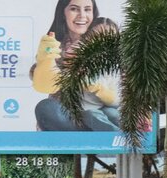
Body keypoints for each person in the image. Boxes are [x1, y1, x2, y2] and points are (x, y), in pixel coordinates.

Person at [32, 0, 119, 131]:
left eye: (87, 9)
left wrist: (100, 89)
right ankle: (88, 140)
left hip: (102, 113)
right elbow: (44, 83)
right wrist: (47, 60)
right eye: (74, 9)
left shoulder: (113, 57)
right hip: (70, 116)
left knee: (112, 112)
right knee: (46, 108)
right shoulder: (56, 46)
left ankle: (109, 138)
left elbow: (121, 94)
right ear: (63, 13)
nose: (82, 15)